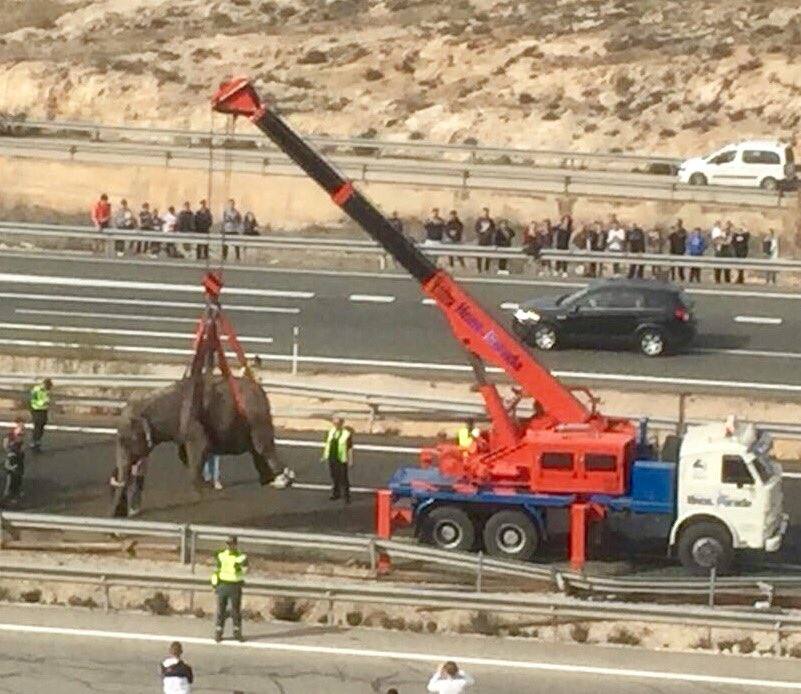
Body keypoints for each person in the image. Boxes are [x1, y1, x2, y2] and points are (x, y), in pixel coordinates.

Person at [211, 535, 247, 642]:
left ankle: (237, 632)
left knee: (236, 611)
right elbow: (217, 569)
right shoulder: (221, 555)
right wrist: (215, 583)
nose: (230, 546)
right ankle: (219, 632)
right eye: (228, 544)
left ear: (236, 544)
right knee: (221, 610)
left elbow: (245, 569)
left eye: (232, 544)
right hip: (223, 585)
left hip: (235, 585)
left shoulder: (241, 556)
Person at [321, 416, 353, 503]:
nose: (336, 425)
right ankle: (336, 493)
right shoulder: (330, 432)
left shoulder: (347, 434)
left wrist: (350, 459)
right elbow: (327, 444)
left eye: (338, 423)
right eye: (334, 423)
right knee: (334, 476)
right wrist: (324, 456)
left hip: (341, 459)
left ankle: (347, 496)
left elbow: (349, 448)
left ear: (341, 424)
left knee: (343, 478)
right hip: (332, 457)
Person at [3, 416, 25, 505]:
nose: (23, 429)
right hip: (12, 461)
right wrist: (11, 455)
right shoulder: (10, 437)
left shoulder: (20, 436)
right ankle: (7, 497)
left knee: (18, 478)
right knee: (11, 479)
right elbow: (7, 447)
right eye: (21, 427)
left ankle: (15, 494)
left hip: (18, 460)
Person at [29, 378, 52, 453]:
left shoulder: (46, 390)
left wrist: (47, 403)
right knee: (37, 425)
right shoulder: (36, 390)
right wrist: (43, 402)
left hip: (44, 410)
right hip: (36, 410)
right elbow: (33, 400)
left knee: (42, 425)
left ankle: (38, 440)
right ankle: (34, 441)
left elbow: (46, 399)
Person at [474, 207, 495, 273]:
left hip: (488, 240)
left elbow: (493, 229)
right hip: (481, 240)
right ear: (482, 212)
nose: (485, 214)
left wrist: (489, 233)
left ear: (488, 213)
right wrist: (481, 231)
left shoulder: (491, 220)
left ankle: (486, 269)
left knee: (488, 255)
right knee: (479, 255)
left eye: (487, 212)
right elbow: (476, 228)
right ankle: (479, 268)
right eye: (484, 212)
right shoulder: (479, 220)